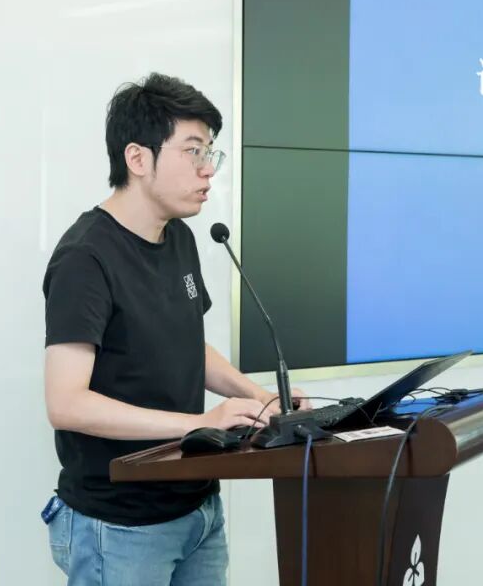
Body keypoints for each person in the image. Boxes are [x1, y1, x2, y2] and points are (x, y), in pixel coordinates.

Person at [39, 73, 306, 585]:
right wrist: (198, 423)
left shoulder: (179, 237)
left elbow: (187, 346)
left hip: (197, 508)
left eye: (210, 153)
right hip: (120, 525)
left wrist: (260, 397)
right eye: (193, 151)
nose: (208, 170)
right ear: (138, 159)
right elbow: (66, 403)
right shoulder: (85, 258)